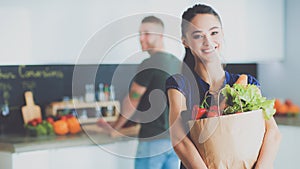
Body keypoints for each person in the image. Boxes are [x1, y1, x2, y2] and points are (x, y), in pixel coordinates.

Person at [166, 4, 281, 169]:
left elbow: (273, 134)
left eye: (214, 33)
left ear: (222, 34)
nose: (208, 41)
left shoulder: (246, 83)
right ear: (185, 41)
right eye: (198, 35)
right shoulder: (180, 85)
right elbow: (179, 140)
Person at [111, 16, 181, 169]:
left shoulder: (149, 64)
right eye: (140, 33)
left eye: (147, 33)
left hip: (152, 141)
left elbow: (133, 100)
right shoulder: (178, 63)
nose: (141, 38)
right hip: (175, 142)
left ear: (160, 36)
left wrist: (115, 128)